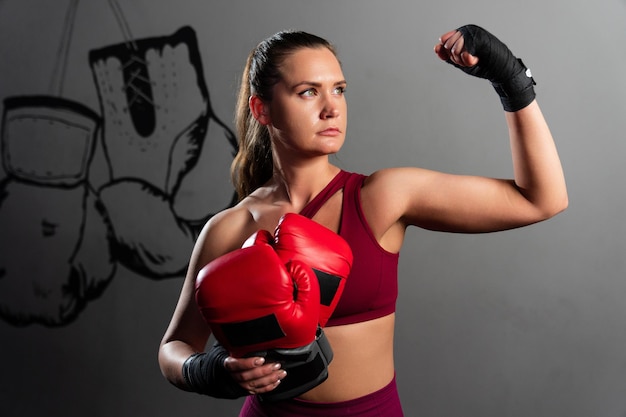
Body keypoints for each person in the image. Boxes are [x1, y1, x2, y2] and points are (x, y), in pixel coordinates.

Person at [158, 24, 568, 416]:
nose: (331, 107)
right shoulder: (230, 227)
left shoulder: (381, 197)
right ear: (262, 109)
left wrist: (511, 79)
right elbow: (174, 347)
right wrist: (211, 372)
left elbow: (541, 200)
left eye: (339, 90)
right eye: (307, 92)